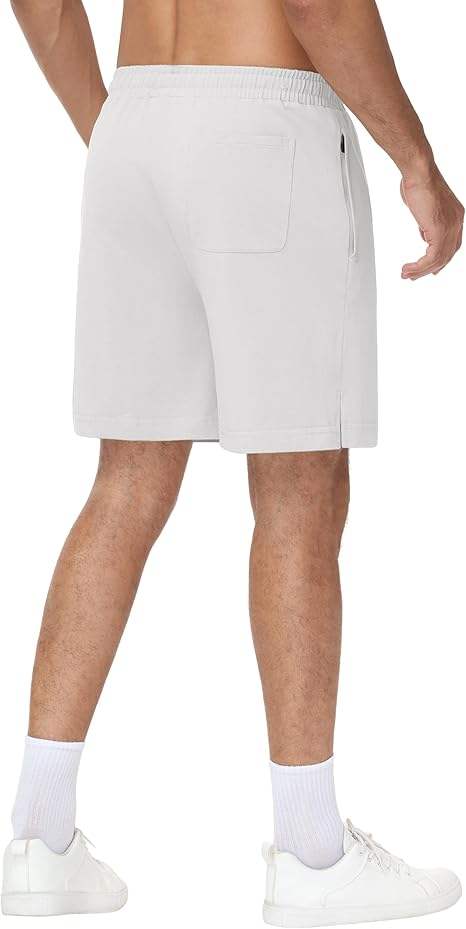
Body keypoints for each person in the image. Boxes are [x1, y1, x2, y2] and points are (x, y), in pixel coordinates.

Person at [2, 0, 463, 924]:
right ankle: (313, 854)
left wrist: (117, 124)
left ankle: (37, 842)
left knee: (127, 481)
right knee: (300, 485)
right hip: (263, 120)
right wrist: (416, 159)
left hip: (134, 124)